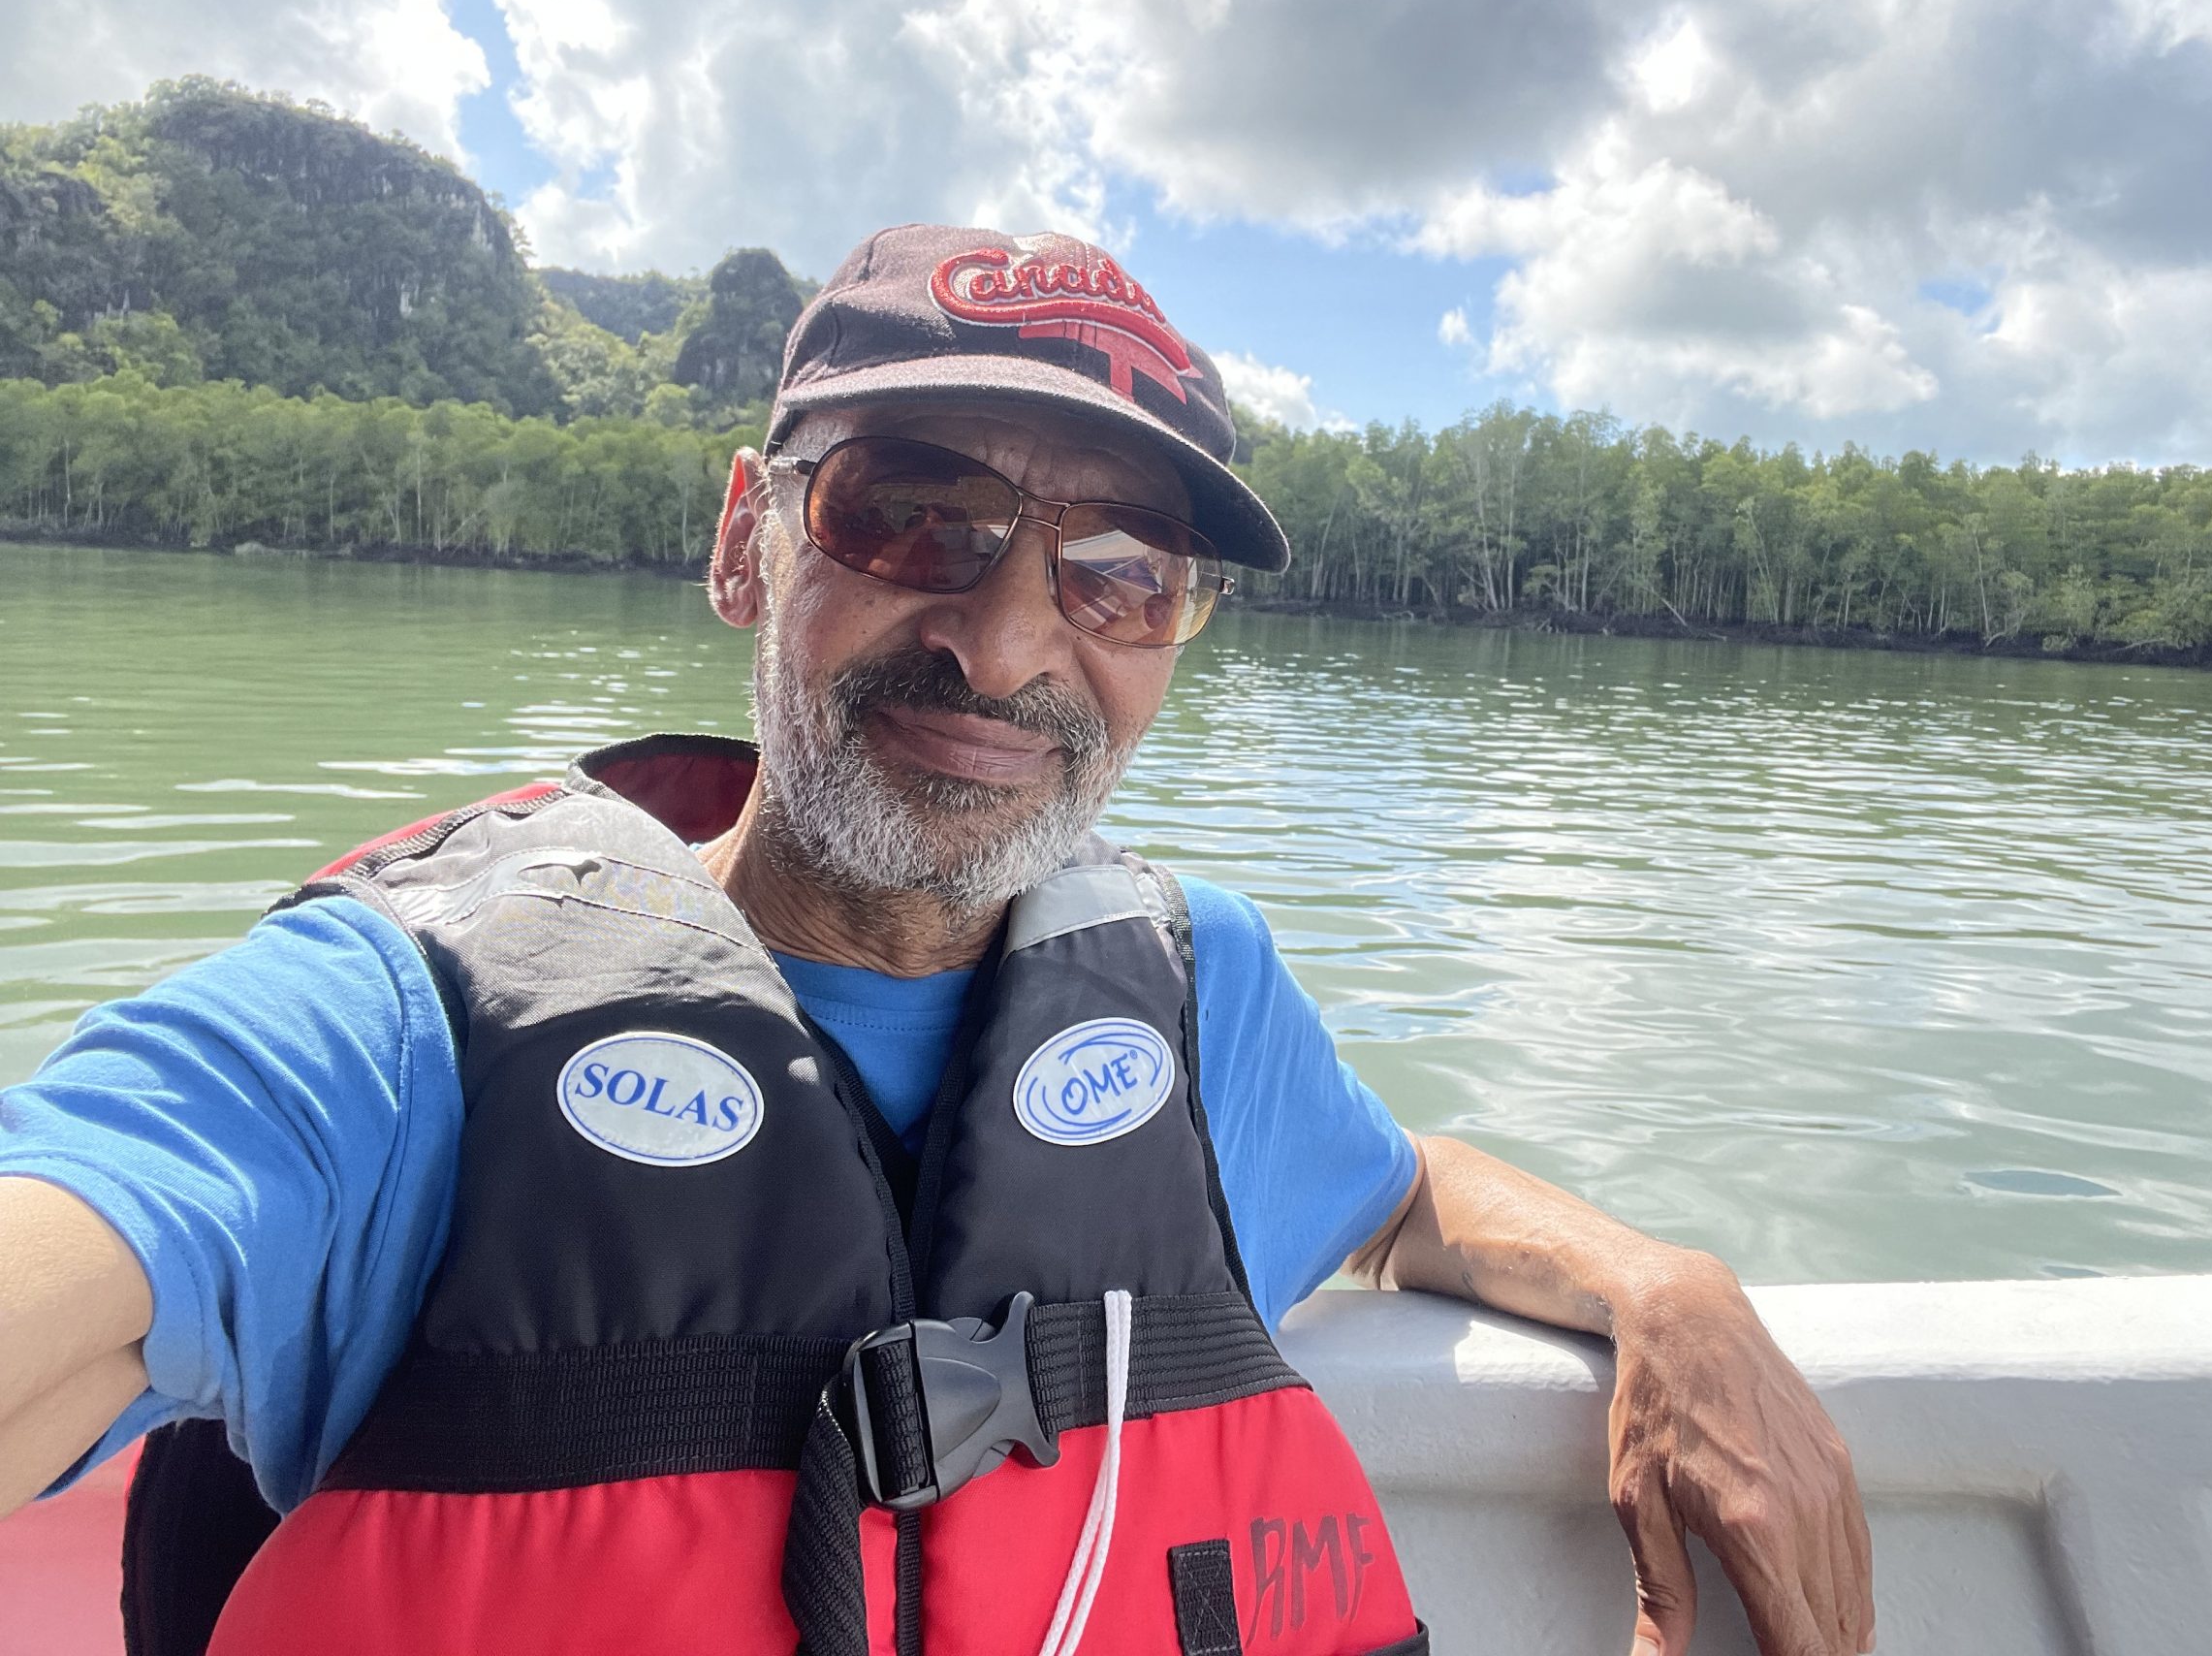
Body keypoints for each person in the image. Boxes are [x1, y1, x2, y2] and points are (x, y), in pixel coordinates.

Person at [0, 226, 1872, 1656]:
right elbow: (87, 1233)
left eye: (1121, 572)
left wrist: (1663, 1289)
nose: (1008, 639)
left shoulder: (1200, 995)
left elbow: (1397, 1196)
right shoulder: (403, 1024)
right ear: (747, 543)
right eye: (912, 518)